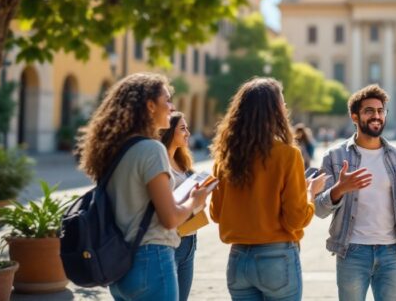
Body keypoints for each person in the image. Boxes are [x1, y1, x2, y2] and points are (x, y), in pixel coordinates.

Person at [77, 73, 209, 301]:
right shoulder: (151, 150)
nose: (171, 106)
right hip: (152, 260)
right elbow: (170, 219)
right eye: (167, 100)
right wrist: (194, 201)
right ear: (150, 106)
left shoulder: (113, 150)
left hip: (118, 265)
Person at [314, 84, 396, 301]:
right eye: (369, 111)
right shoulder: (334, 157)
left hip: (392, 253)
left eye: (380, 111)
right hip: (351, 253)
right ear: (354, 116)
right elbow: (318, 208)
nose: (376, 116)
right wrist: (339, 189)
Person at [210, 78, 327, 301]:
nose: (286, 108)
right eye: (282, 103)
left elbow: (217, 214)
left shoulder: (224, 158)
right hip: (276, 257)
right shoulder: (288, 155)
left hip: (237, 260)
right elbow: (295, 219)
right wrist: (311, 192)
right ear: (275, 111)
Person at [160, 111, 199, 301]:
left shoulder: (182, 161)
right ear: (168, 132)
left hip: (190, 239)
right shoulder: (159, 163)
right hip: (170, 241)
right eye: (182, 128)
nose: (188, 133)